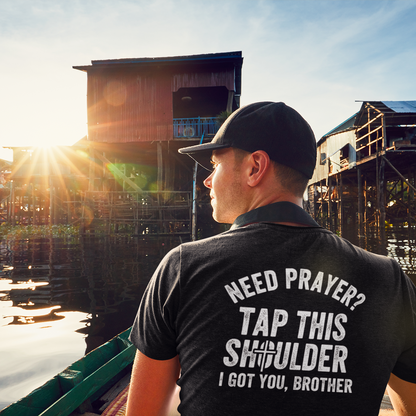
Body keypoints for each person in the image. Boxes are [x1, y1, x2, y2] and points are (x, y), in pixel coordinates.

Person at [126, 102, 416, 415]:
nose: (208, 181)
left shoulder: (183, 268)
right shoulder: (387, 278)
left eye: (215, 165)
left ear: (255, 167)